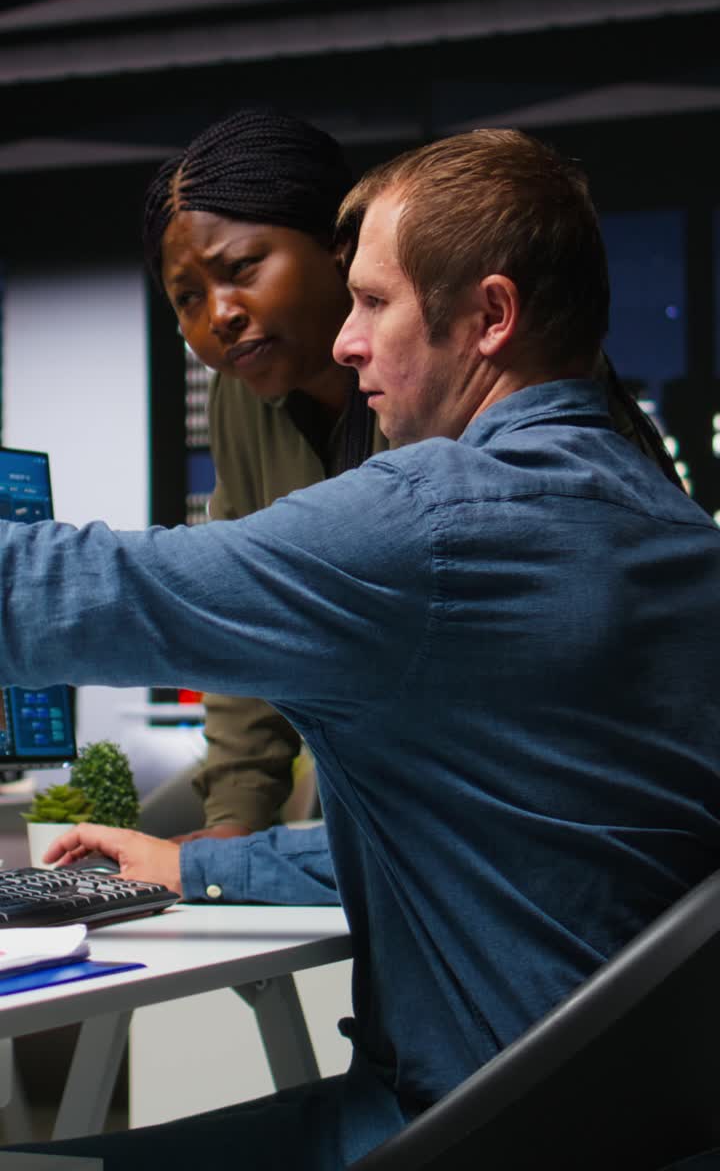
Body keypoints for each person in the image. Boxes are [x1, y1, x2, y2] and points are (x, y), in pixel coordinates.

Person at [3, 127, 719, 1170]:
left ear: (490, 317)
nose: (346, 340)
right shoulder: (675, 530)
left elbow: (70, 591)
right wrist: (201, 863)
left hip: (453, 1128)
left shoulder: (424, 524)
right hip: (630, 1128)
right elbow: (511, 840)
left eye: (374, 303)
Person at [139, 106, 388, 842]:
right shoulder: (241, 397)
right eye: (187, 298)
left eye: (242, 268)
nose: (219, 315)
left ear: (336, 245)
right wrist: (231, 826)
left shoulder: (442, 372)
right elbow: (243, 613)